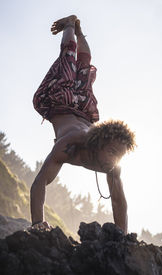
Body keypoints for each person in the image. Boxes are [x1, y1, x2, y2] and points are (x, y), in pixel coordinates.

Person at [31, 15, 136, 234]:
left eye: (120, 155)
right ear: (100, 141)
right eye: (113, 152)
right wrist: (37, 223)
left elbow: (119, 202)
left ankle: (79, 31)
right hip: (60, 100)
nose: (115, 159)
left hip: (86, 113)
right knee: (69, 59)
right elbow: (40, 182)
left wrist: (123, 237)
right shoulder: (71, 144)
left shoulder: (112, 166)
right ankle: (70, 26)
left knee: (85, 66)